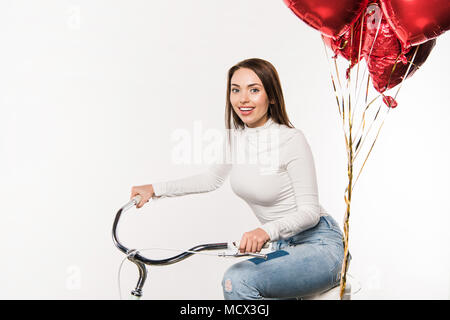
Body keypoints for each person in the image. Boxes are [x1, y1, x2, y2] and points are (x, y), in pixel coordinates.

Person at [130, 58, 348, 300]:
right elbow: (211, 179)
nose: (243, 99)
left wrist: (264, 231)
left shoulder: (291, 140)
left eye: (254, 90)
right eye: (236, 90)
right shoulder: (236, 139)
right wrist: (155, 189)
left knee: (238, 280)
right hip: (282, 249)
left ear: (272, 96)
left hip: (320, 247)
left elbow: (309, 212)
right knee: (243, 282)